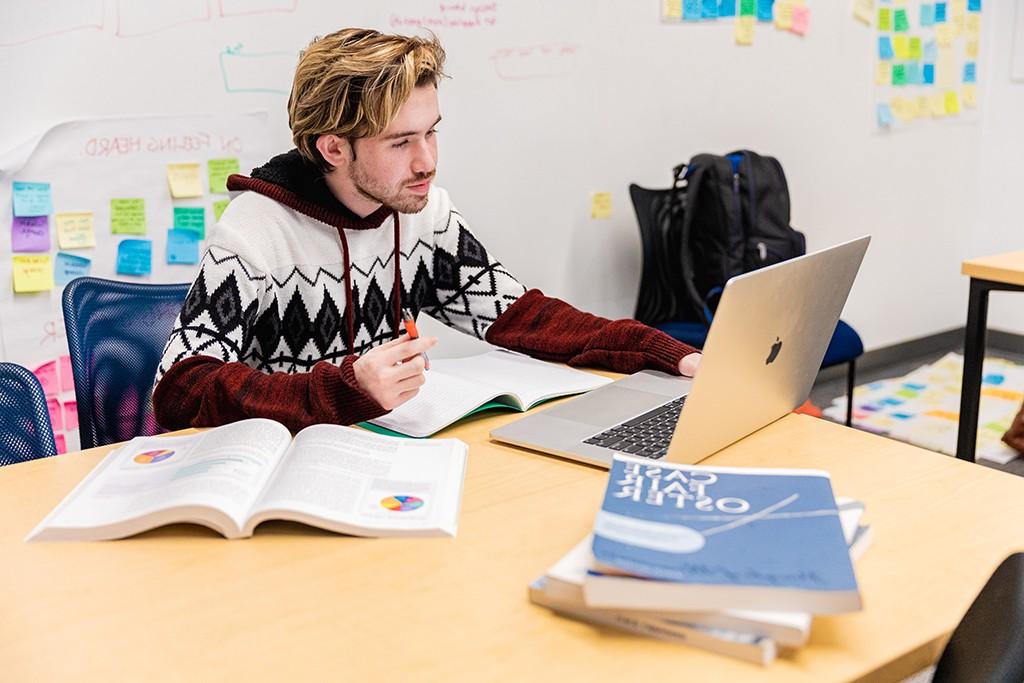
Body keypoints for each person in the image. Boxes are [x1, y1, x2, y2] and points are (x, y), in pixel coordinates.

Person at [152, 28, 701, 432]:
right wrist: (342, 392)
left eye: (431, 133)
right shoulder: (257, 229)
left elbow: (519, 317)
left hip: (385, 458)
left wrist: (662, 350)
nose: (427, 162)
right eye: (401, 142)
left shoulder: (424, 213)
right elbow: (180, 389)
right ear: (333, 147)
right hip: (283, 474)